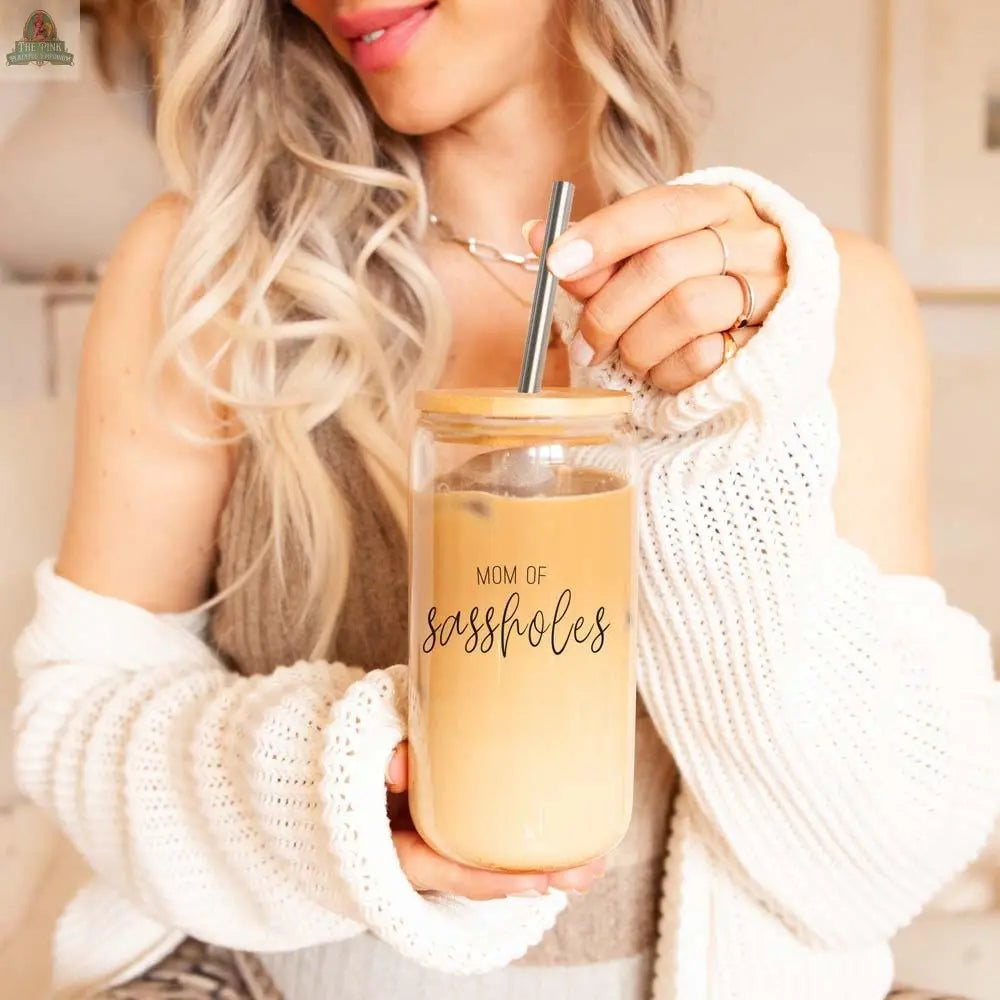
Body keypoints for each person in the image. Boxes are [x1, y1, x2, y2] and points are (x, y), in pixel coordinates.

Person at [13, 1, 999, 998]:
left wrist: (719, 456)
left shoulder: (807, 308)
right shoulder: (214, 273)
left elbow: (879, 860)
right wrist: (325, 787)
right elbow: (74, 721)